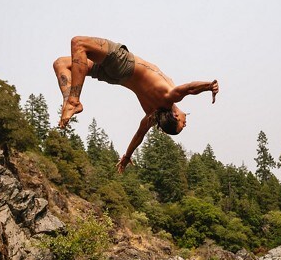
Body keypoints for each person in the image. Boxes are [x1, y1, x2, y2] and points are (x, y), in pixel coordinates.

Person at [53, 36, 219, 173]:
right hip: (115, 77)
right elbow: (139, 136)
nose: (185, 122)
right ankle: (70, 101)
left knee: (78, 43)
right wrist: (126, 158)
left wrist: (208, 86)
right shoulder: (150, 116)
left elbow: (189, 88)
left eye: (183, 124)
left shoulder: (169, 97)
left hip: (123, 64)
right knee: (61, 64)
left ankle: (73, 101)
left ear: (175, 116)